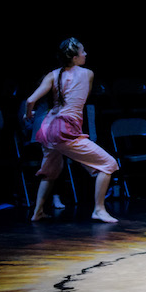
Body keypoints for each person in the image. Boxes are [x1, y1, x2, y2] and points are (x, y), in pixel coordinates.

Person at [24, 38, 118, 223]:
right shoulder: (87, 73)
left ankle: (37, 212)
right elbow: (82, 98)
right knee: (108, 164)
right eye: (83, 52)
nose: (86, 54)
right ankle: (98, 209)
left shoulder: (52, 74)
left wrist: (28, 115)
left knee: (50, 171)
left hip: (48, 128)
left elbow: (30, 101)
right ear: (74, 57)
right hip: (64, 130)